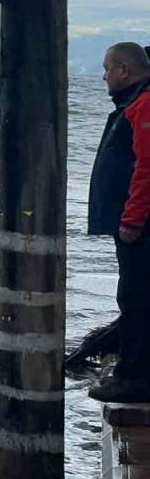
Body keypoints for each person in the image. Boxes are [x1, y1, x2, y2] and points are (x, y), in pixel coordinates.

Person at [88, 42, 150, 402]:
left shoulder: (142, 105)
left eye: (108, 68)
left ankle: (133, 376)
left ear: (125, 71)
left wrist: (132, 219)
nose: (104, 75)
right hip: (133, 220)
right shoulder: (133, 104)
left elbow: (145, 168)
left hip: (139, 225)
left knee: (135, 295)